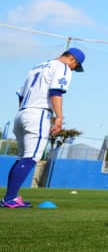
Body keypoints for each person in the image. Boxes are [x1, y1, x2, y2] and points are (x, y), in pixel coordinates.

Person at [3, 48, 85, 208]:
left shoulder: (36, 66)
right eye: (76, 66)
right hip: (38, 113)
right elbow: (55, 92)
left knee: (22, 158)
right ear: (73, 60)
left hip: (22, 113)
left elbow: (20, 94)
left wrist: (26, 112)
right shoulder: (63, 67)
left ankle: (10, 197)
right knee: (31, 158)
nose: (74, 69)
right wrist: (59, 117)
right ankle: (10, 198)